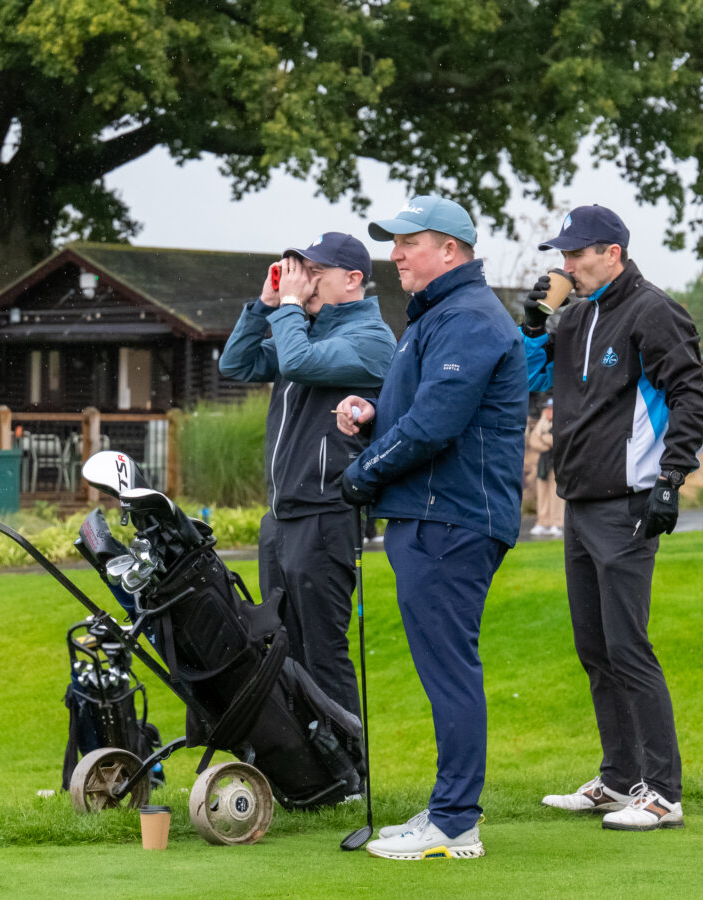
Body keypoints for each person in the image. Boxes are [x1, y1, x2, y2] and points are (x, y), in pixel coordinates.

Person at [332, 196, 527, 861]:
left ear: (450, 249)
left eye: (407, 242)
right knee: (445, 666)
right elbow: (413, 410)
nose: (395, 255)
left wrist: (364, 474)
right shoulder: (438, 317)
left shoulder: (468, 317)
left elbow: (436, 424)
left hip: (451, 517)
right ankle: (449, 810)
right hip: (432, 514)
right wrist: (371, 414)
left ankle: (454, 822)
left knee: (449, 670)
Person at [520, 205, 703, 831]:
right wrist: (532, 325)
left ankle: (662, 791)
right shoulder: (574, 317)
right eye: (565, 255)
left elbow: (691, 398)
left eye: (578, 254)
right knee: (594, 648)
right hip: (580, 502)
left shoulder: (652, 310)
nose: (567, 265)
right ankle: (619, 778)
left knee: (629, 647)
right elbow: (529, 375)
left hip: (630, 502)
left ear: (613, 253)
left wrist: (672, 477)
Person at [219, 231, 396, 719]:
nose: (305, 280)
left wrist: (291, 307)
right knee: (280, 648)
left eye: (316, 271)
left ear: (352, 279)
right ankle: (308, 767)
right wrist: (264, 305)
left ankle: (347, 770)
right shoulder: (307, 329)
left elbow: (296, 361)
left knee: (322, 649)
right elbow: (235, 363)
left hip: (325, 513)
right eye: (302, 270)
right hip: (280, 518)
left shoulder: (370, 339)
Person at [529, 400, 563, 537]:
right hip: (543, 463)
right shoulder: (542, 423)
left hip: (556, 463)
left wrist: (543, 438)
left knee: (556, 495)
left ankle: (557, 523)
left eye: (551, 408)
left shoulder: (560, 421)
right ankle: (543, 522)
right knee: (542, 493)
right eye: (547, 408)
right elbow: (533, 440)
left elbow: (556, 441)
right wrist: (543, 421)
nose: (549, 411)